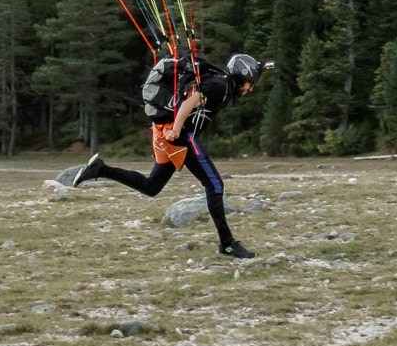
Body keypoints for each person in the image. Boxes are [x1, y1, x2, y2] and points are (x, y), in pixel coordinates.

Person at [75, 51, 265, 258]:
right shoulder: (221, 85)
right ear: (241, 76)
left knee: (151, 186)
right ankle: (227, 244)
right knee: (215, 185)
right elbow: (189, 103)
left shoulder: (222, 85)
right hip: (182, 136)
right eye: (250, 83)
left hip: (171, 134)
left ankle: (100, 169)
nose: (250, 88)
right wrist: (176, 128)